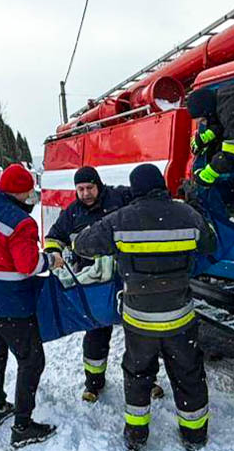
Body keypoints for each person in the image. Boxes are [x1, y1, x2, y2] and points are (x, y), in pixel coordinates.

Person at [74, 163, 217, 451]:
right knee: (188, 372)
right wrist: (194, 210)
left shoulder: (121, 220)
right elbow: (210, 243)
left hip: (139, 320)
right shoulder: (186, 215)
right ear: (162, 185)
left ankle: (136, 436)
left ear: (135, 189)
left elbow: (83, 246)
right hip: (180, 317)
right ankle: (194, 435)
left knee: (138, 375)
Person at [43, 166, 164, 403]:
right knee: (96, 332)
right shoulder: (72, 213)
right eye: (80, 189)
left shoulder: (119, 197)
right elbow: (53, 236)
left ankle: (148, 381)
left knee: (139, 333)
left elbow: (146, 200)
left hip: (127, 279)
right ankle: (94, 383)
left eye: (89, 187)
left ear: (99, 185)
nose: (85, 193)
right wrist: (53, 252)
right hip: (96, 284)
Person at [0, 163, 57, 448]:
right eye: (29, 194)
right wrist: (51, 260)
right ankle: (23, 426)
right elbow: (28, 264)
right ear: (18, 194)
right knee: (32, 359)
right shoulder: (21, 223)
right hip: (9, 303)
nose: (31, 198)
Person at [186, 81, 234, 186]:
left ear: (207, 110)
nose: (205, 124)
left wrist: (209, 172)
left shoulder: (232, 103)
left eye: (203, 120)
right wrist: (208, 136)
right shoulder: (225, 102)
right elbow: (222, 124)